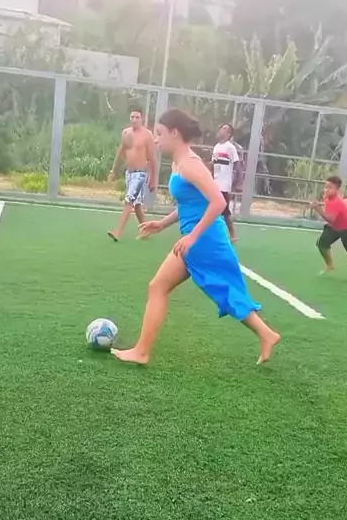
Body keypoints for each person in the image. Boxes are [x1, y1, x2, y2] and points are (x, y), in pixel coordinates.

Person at [112, 108, 281, 366]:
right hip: (197, 238)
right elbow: (191, 204)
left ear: (175, 133)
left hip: (204, 239)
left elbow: (218, 203)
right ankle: (267, 335)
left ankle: (141, 352)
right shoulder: (180, 163)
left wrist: (192, 238)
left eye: (160, 134)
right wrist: (162, 224)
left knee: (164, 287)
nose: (156, 140)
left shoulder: (191, 164)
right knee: (218, 288)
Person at [107, 108, 159, 241]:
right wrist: (114, 170)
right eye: (132, 117)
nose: (134, 120)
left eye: (137, 117)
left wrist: (153, 179)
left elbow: (153, 158)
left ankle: (118, 232)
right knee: (137, 205)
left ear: (142, 119)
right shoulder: (126, 133)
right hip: (129, 173)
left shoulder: (147, 135)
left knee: (129, 200)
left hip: (141, 174)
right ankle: (146, 230)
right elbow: (121, 153)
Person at [210, 123, 244, 242]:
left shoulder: (230, 148)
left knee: (224, 211)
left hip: (224, 185)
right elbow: (213, 165)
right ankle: (213, 232)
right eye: (221, 128)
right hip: (214, 184)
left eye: (224, 129)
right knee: (212, 208)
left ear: (229, 134)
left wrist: (238, 182)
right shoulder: (216, 147)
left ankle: (233, 234)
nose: (221, 130)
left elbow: (237, 166)